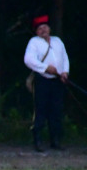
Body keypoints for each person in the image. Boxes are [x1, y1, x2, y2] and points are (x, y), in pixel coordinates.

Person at [24, 15, 70, 152]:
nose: (43, 30)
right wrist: (45, 68)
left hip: (57, 81)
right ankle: (37, 140)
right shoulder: (34, 42)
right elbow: (28, 60)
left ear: (49, 28)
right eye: (39, 28)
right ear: (36, 32)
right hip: (42, 80)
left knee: (56, 110)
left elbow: (65, 58)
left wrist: (65, 72)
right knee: (41, 110)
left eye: (45, 27)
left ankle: (55, 140)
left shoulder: (58, 41)